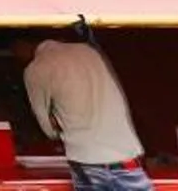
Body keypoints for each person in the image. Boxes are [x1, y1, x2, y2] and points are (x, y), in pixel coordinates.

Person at [21, 30, 150, 191]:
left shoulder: (36, 69)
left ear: (21, 45)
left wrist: (58, 126)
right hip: (124, 160)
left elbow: (47, 128)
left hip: (84, 160)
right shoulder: (91, 52)